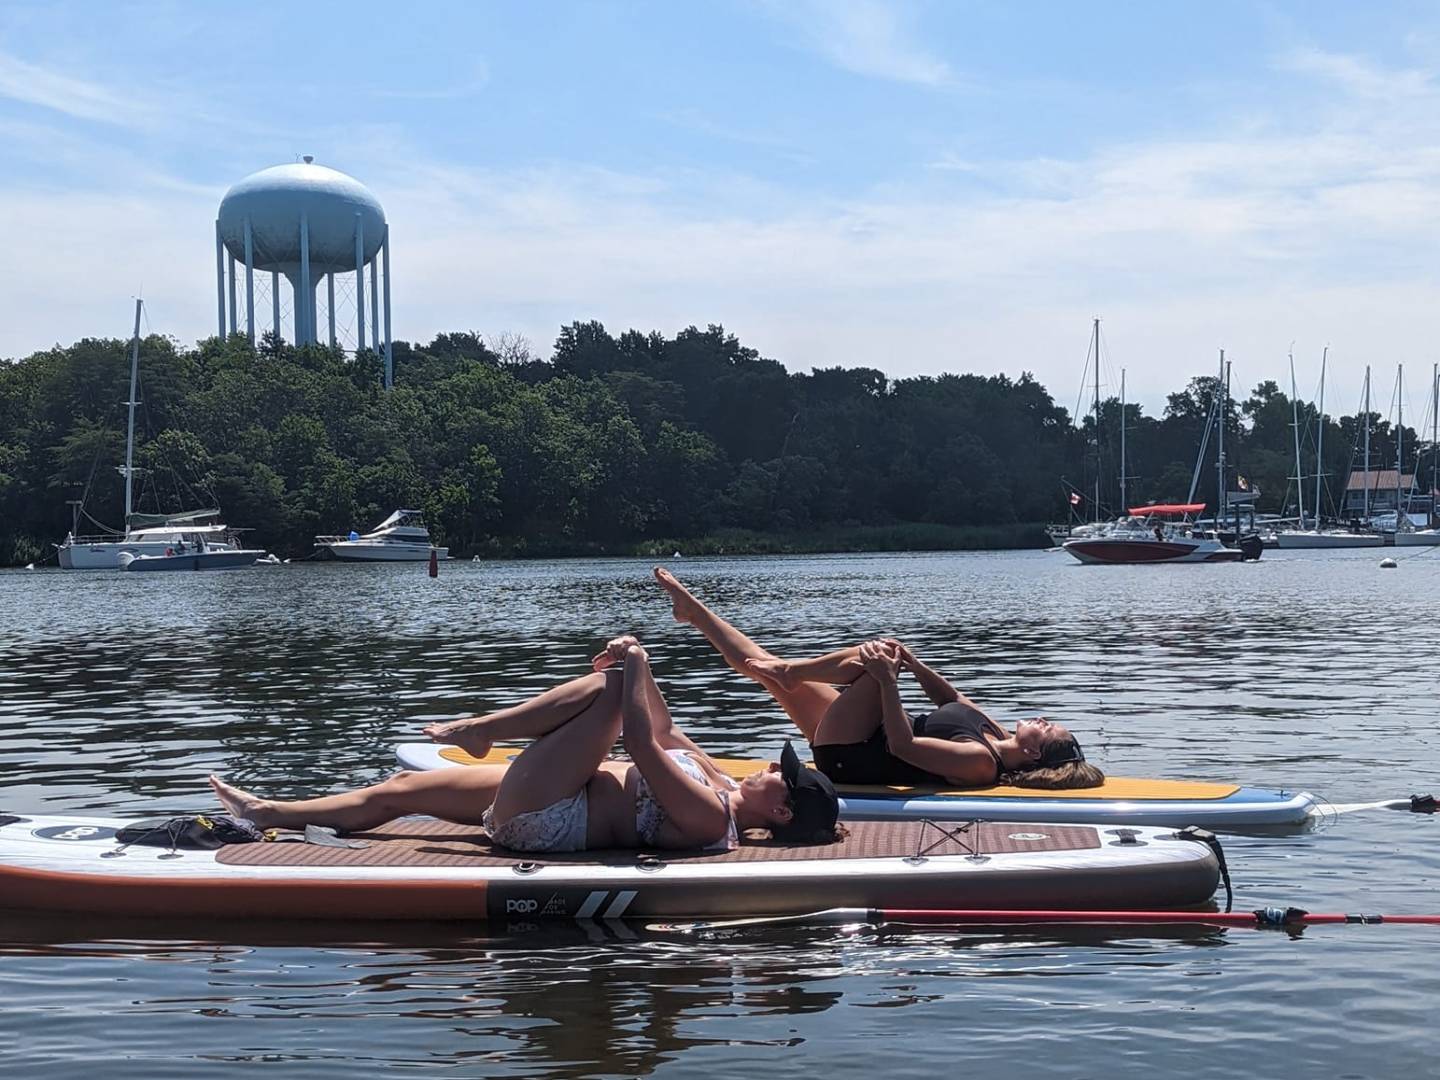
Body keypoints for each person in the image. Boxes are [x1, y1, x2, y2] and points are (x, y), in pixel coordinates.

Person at [209, 636, 842, 853]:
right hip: (559, 790)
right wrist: (641, 661)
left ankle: (482, 729)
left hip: (549, 817)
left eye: (777, 775)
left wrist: (632, 673)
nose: (767, 765)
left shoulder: (712, 820)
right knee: (400, 791)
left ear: (780, 811)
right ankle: (272, 812)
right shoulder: (724, 787)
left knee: (610, 689)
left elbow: (646, 748)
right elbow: (670, 730)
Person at [651, 567, 1104, 790]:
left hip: (853, 755)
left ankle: (792, 673)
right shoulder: (994, 731)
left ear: (1031, 753)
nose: (1041, 718)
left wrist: (889, 679)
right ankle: (694, 614)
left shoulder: (982, 763)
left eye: (1046, 728)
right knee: (766, 665)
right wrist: (913, 662)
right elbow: (951, 698)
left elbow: (903, 748)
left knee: (876, 657)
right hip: (863, 731)